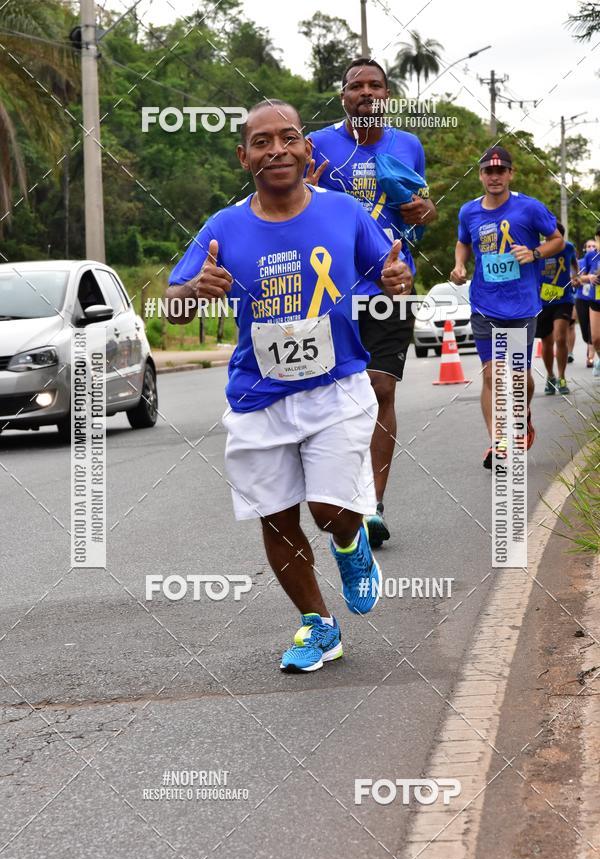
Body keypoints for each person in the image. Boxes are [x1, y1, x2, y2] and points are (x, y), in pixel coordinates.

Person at [165, 99, 414, 672]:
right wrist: (193, 290)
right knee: (276, 517)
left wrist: (399, 277)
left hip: (335, 388)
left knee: (329, 511)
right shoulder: (223, 227)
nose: (276, 149)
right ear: (244, 156)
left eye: (289, 138)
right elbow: (174, 307)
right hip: (258, 396)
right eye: (261, 141)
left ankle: (349, 545)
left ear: (306, 149)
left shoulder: (345, 212)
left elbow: (392, 275)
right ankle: (317, 626)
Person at [305, 58, 437, 548]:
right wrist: (308, 186)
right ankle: (346, 494)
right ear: (343, 97)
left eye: (374, 85)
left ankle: (373, 507)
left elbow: (420, 211)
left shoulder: (408, 145)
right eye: (355, 85)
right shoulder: (318, 143)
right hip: (330, 291)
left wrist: (425, 210)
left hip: (390, 285)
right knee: (339, 397)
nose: (366, 92)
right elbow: (293, 206)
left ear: (387, 94)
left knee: (381, 389)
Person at [450, 146, 564, 469]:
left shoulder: (529, 208)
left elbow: (556, 239)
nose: (495, 176)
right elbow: (463, 242)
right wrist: (459, 266)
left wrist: (535, 253)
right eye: (489, 171)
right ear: (481, 175)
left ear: (510, 174)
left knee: (519, 379)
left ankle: (523, 416)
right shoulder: (469, 212)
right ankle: (498, 443)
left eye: (501, 171)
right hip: (485, 305)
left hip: (521, 306)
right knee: (493, 375)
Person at [535, 222, 578, 395]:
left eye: (554, 237)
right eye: (548, 237)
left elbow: (575, 265)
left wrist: (575, 277)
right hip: (542, 302)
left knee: (560, 338)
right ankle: (550, 376)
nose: (550, 240)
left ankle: (561, 377)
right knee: (546, 342)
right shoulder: (538, 249)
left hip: (563, 299)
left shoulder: (568, 248)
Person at [578, 227, 600, 377]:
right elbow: (580, 277)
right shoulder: (591, 256)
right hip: (595, 299)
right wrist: (590, 278)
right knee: (596, 338)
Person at [575, 238, 597, 367]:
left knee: (592, 329)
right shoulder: (582, 261)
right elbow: (576, 278)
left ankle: (590, 357)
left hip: (595, 299)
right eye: (588, 246)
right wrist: (588, 278)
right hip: (582, 298)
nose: (591, 248)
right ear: (585, 248)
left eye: (593, 246)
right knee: (584, 329)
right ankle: (590, 350)